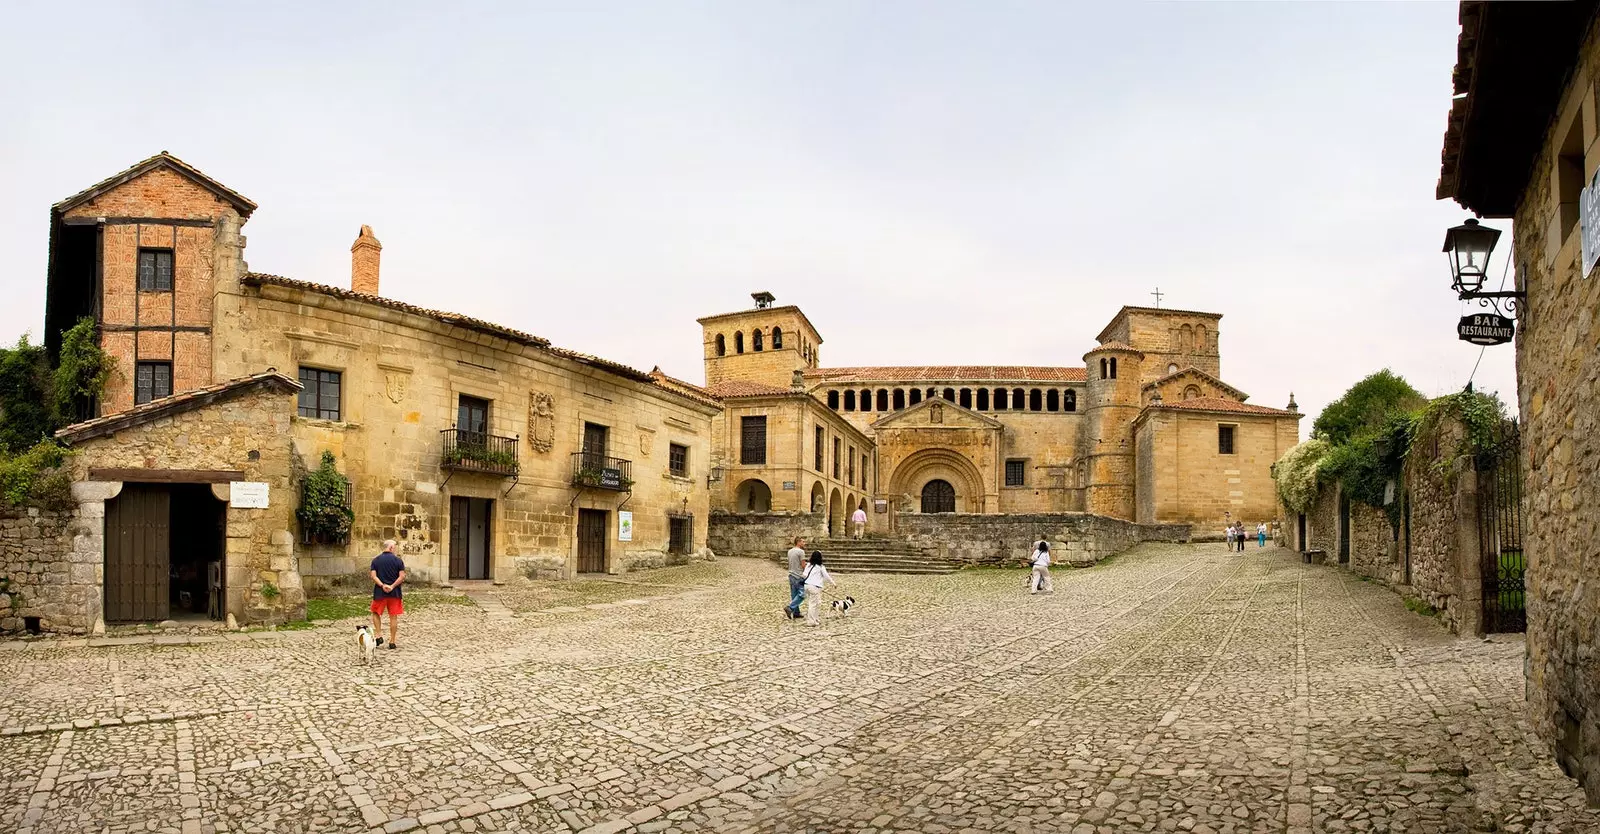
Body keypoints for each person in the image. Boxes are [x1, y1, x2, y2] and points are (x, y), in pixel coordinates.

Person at [370, 539, 406, 650]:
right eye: (394, 547)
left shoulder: (375, 561)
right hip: (394, 593)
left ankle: (379, 634)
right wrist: (392, 586)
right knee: (393, 616)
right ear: (390, 547)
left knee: (376, 613)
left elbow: (373, 576)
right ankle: (392, 641)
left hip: (380, 593)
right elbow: (402, 577)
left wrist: (382, 585)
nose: (395, 549)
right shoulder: (398, 561)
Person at [802, 551, 838, 626]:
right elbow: (826, 576)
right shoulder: (821, 567)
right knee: (813, 604)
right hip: (814, 587)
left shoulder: (808, 565)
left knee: (817, 603)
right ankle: (811, 621)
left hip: (807, 585)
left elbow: (804, 575)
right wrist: (833, 583)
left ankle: (816, 619)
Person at [785, 536, 807, 619]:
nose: (804, 543)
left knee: (794, 594)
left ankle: (796, 613)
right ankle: (790, 607)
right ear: (798, 542)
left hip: (791, 574)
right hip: (798, 575)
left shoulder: (789, 551)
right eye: (803, 542)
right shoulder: (801, 552)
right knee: (802, 594)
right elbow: (803, 565)